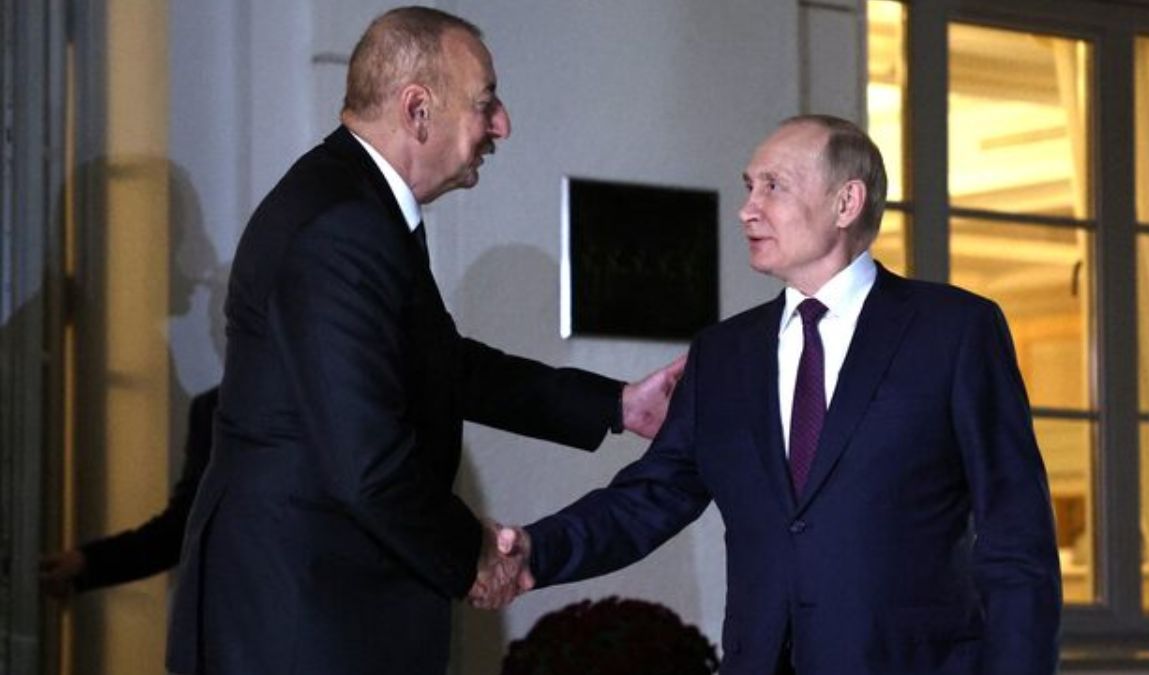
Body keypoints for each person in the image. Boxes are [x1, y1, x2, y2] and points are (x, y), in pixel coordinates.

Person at [164, 7, 683, 675]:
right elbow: (367, 460)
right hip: (301, 618)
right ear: (417, 111)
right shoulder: (342, 225)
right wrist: (475, 557)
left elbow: (442, 364)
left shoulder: (355, 205)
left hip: (316, 602)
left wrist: (616, 404)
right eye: (486, 101)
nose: (502, 124)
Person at [483, 115, 1063, 675]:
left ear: (847, 202)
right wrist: (536, 551)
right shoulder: (723, 354)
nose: (747, 208)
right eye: (748, 186)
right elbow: (649, 498)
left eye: (773, 187)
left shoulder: (954, 331)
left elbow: (1018, 540)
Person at [39, 387, 217, 597]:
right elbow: (182, 527)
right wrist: (87, 563)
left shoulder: (216, 409)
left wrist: (87, 563)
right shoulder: (214, 411)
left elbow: (182, 528)